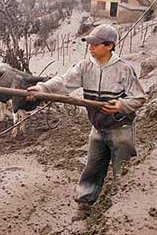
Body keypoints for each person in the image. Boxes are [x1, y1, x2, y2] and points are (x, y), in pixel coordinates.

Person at [26, 24, 146, 221]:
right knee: (92, 167)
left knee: (123, 169)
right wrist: (42, 89)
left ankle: (124, 210)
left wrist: (120, 105)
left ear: (109, 46)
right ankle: (84, 206)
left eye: (95, 44)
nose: (90, 47)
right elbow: (63, 82)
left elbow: (140, 98)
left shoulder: (124, 70)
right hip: (98, 128)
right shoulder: (85, 67)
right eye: (89, 43)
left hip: (120, 129)